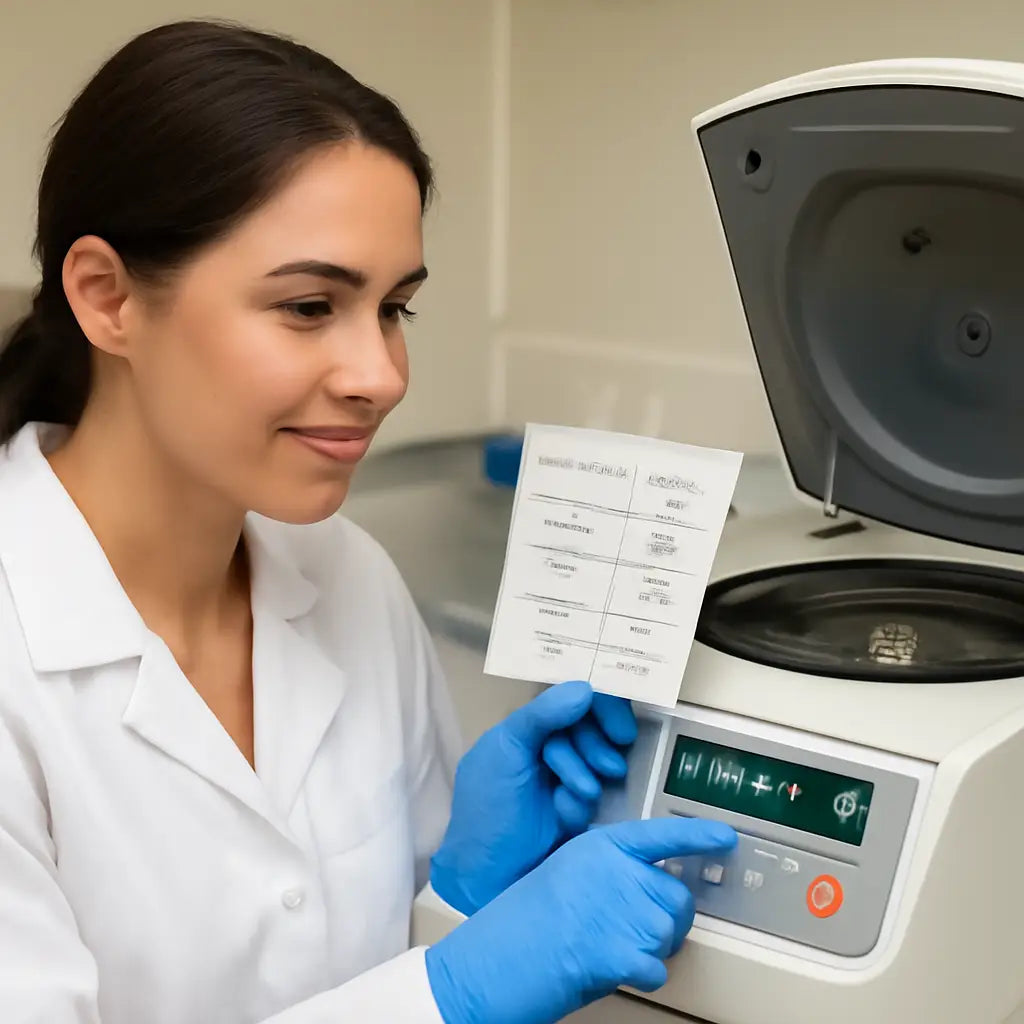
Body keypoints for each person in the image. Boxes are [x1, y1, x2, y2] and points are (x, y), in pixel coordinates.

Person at [0, 19, 736, 1024]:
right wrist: (458, 988)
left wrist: (461, 897)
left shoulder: (344, 572)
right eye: (310, 306)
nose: (381, 376)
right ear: (107, 296)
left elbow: (363, 962)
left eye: (396, 307)